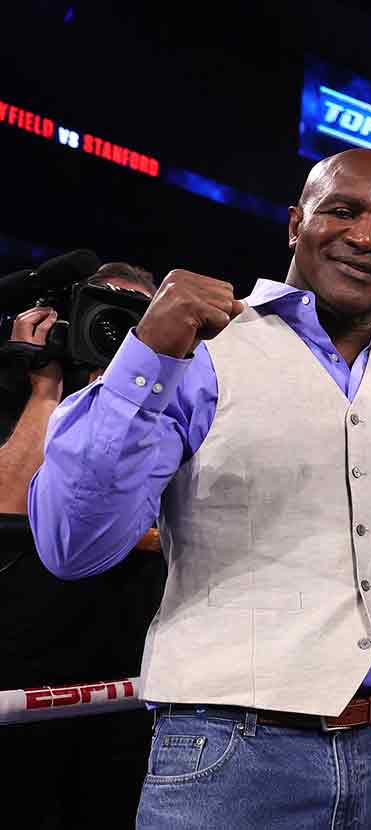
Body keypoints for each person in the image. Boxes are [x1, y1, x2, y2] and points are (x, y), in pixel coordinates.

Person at [28, 149, 371, 830]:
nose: (365, 236)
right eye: (342, 210)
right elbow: (75, 546)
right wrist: (149, 353)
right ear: (294, 223)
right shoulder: (200, 353)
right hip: (231, 758)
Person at [0, 262, 165, 830]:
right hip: (22, 687)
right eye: (104, 307)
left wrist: (128, 393)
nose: (115, 329)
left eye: (137, 316)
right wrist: (43, 386)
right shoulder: (17, 390)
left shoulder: (172, 411)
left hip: (127, 701)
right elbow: (7, 507)